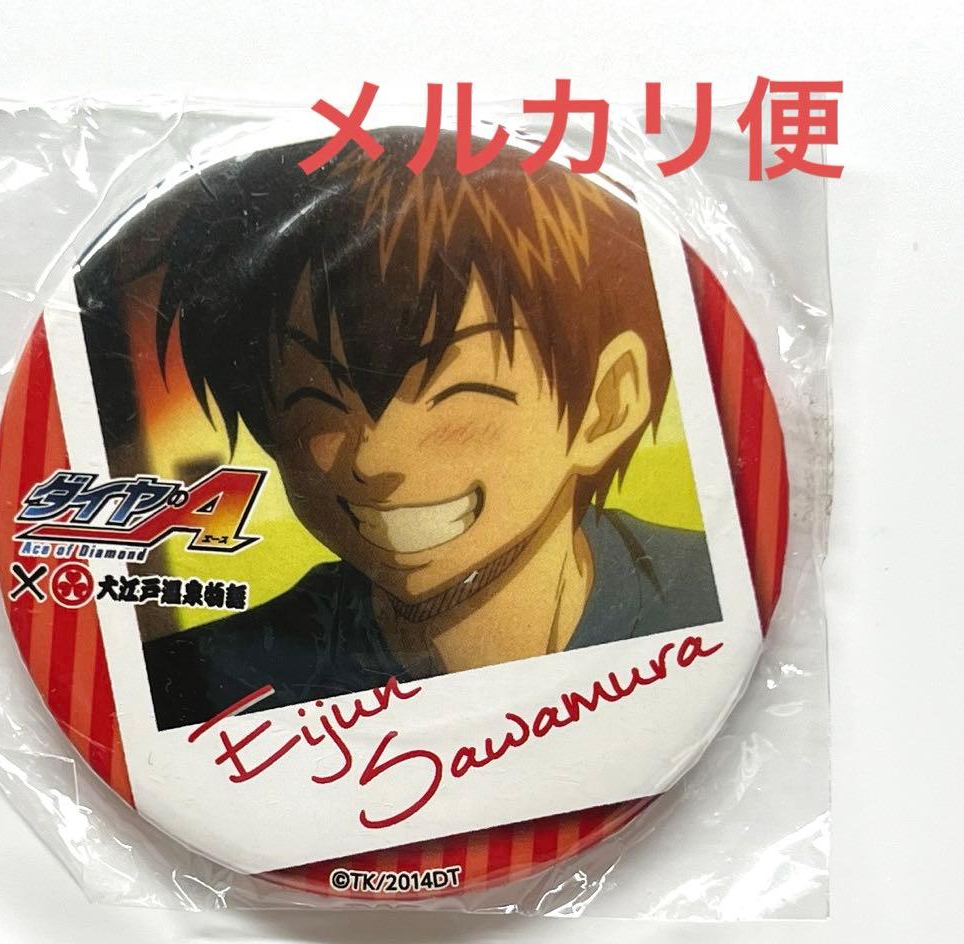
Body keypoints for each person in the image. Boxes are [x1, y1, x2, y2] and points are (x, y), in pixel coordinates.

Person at [135, 129, 720, 729]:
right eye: (317, 398)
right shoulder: (202, 691)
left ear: (608, 403)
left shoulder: (717, 595)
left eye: (454, 391)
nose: (373, 459)